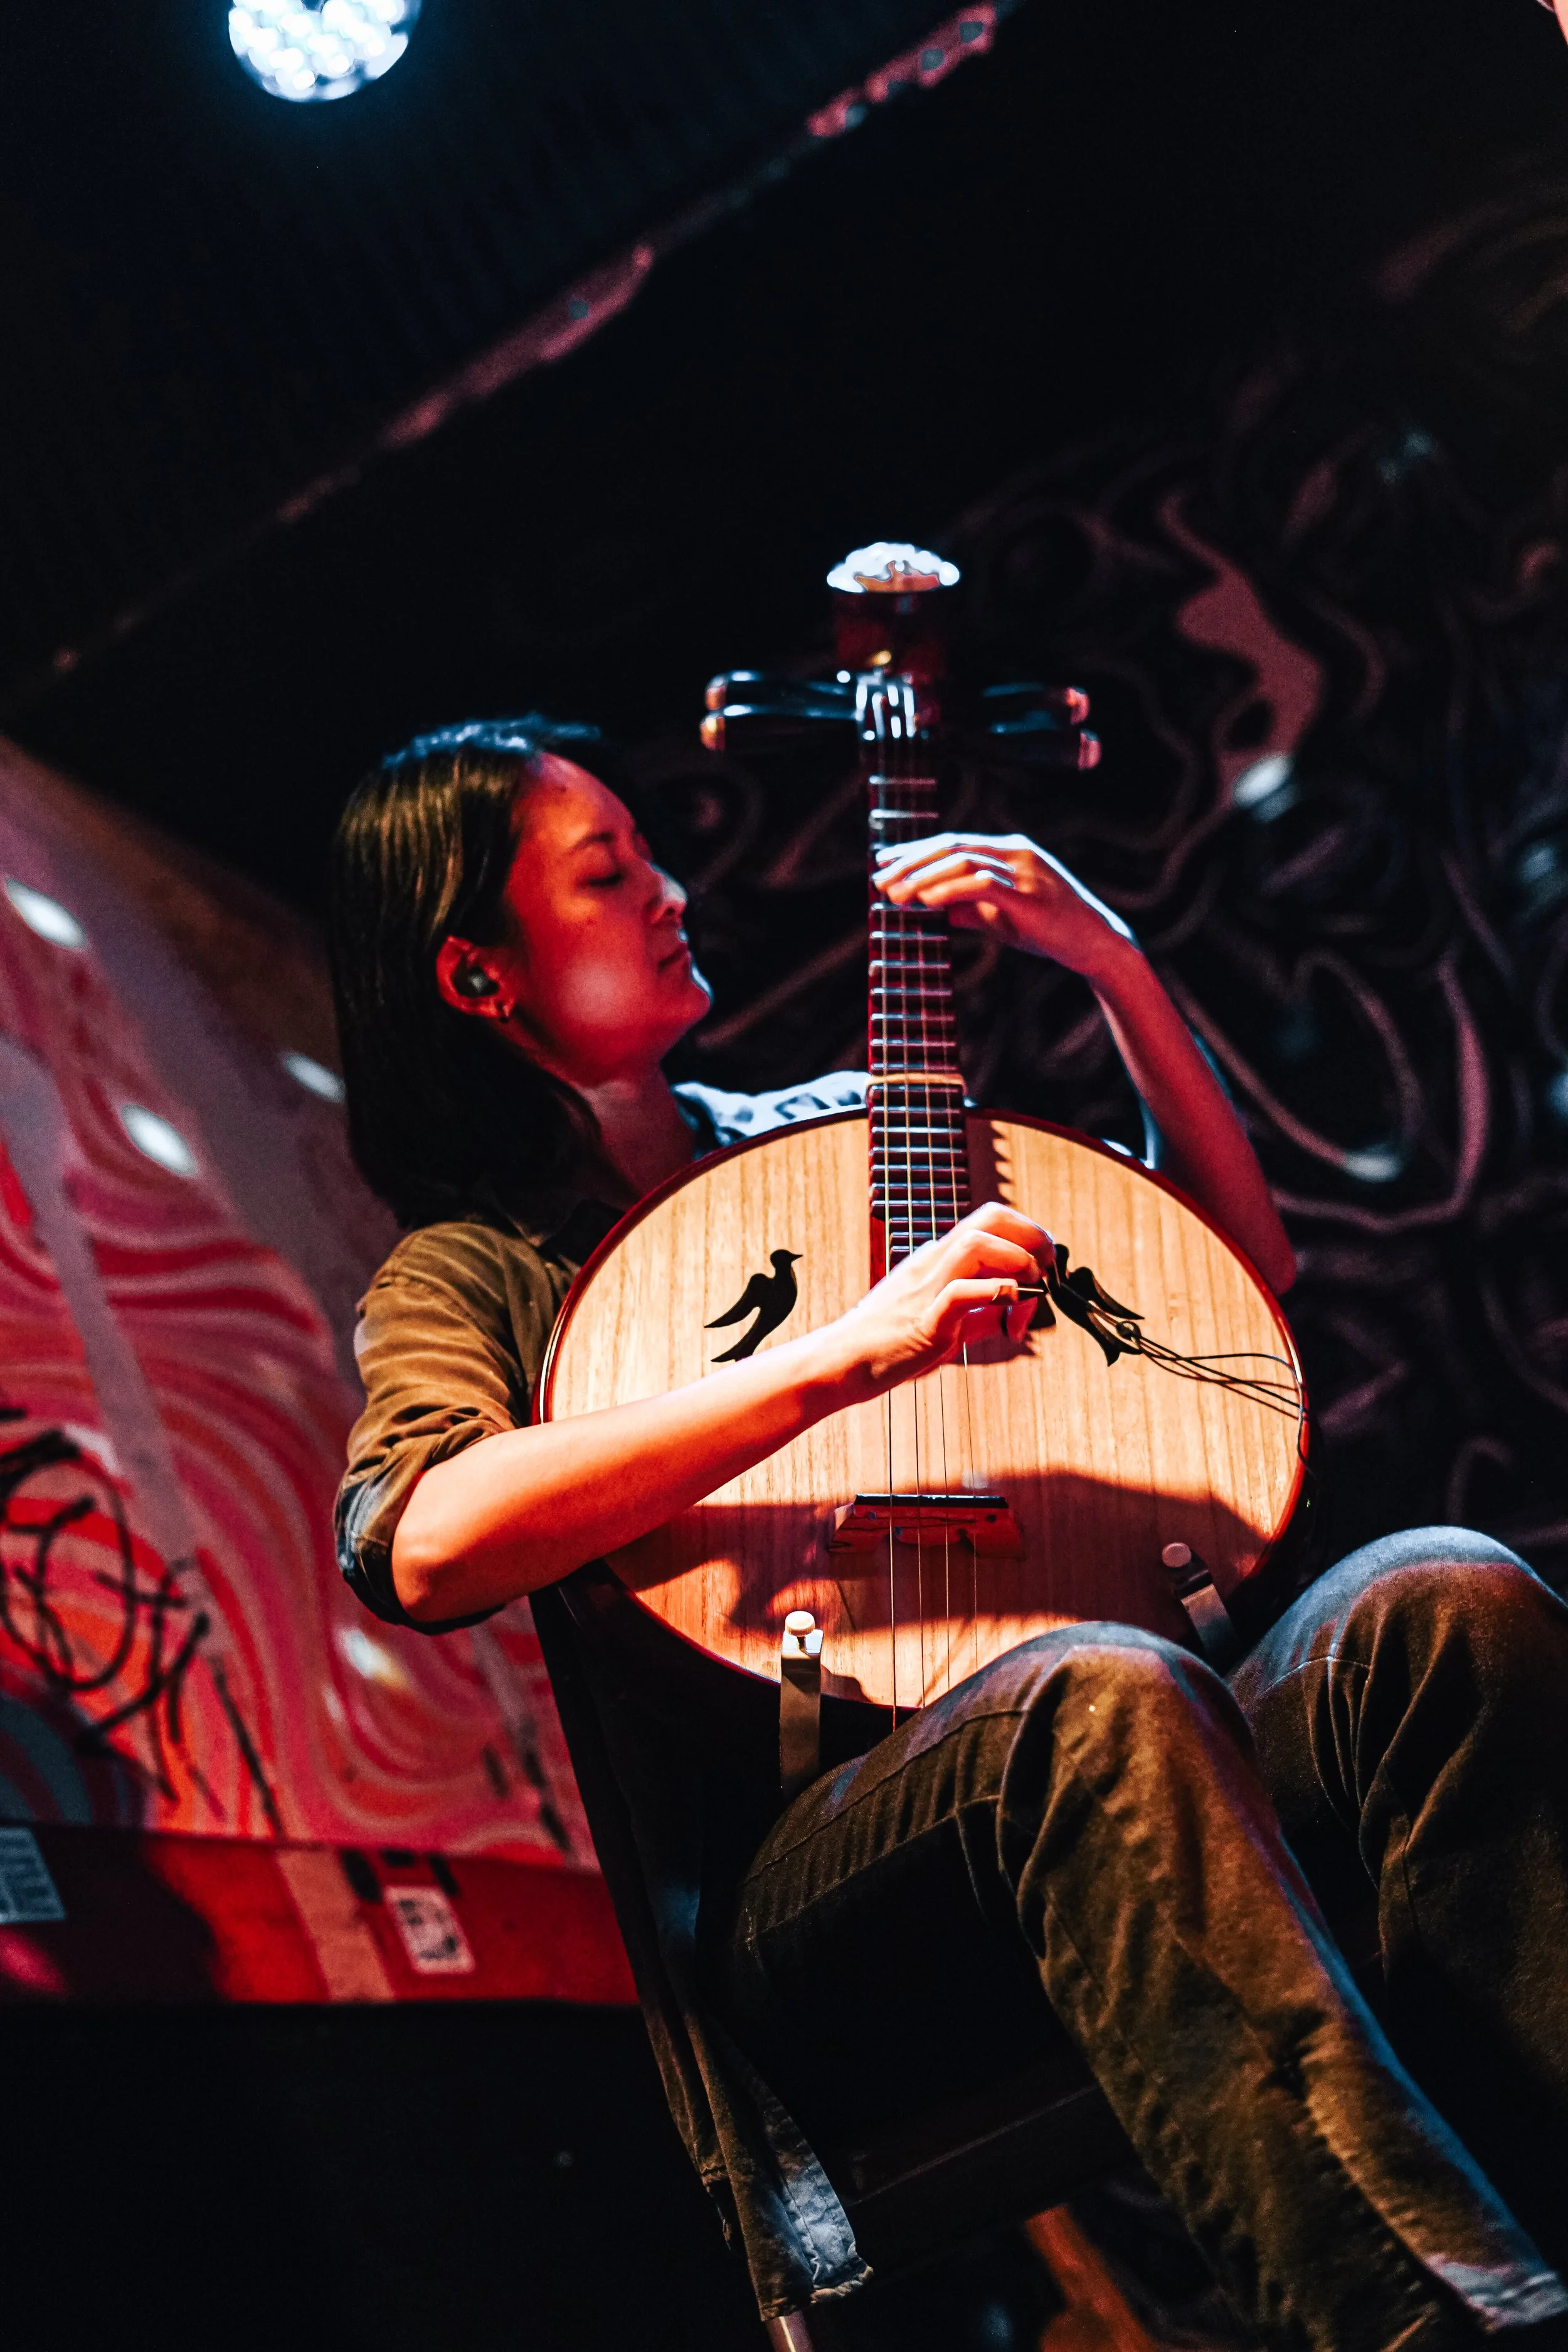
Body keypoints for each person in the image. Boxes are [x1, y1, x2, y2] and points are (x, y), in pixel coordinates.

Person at [331, 716, 1568, 2351]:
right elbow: (422, 1538)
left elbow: (1236, 1268)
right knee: (1097, 1694)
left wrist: (1106, 960)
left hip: (1123, 1734)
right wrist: (846, 1352)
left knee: (1442, 1605)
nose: (672, 892)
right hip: (838, 1886)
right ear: (481, 980)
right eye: (608, 872)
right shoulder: (471, 1273)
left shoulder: (848, 1121)